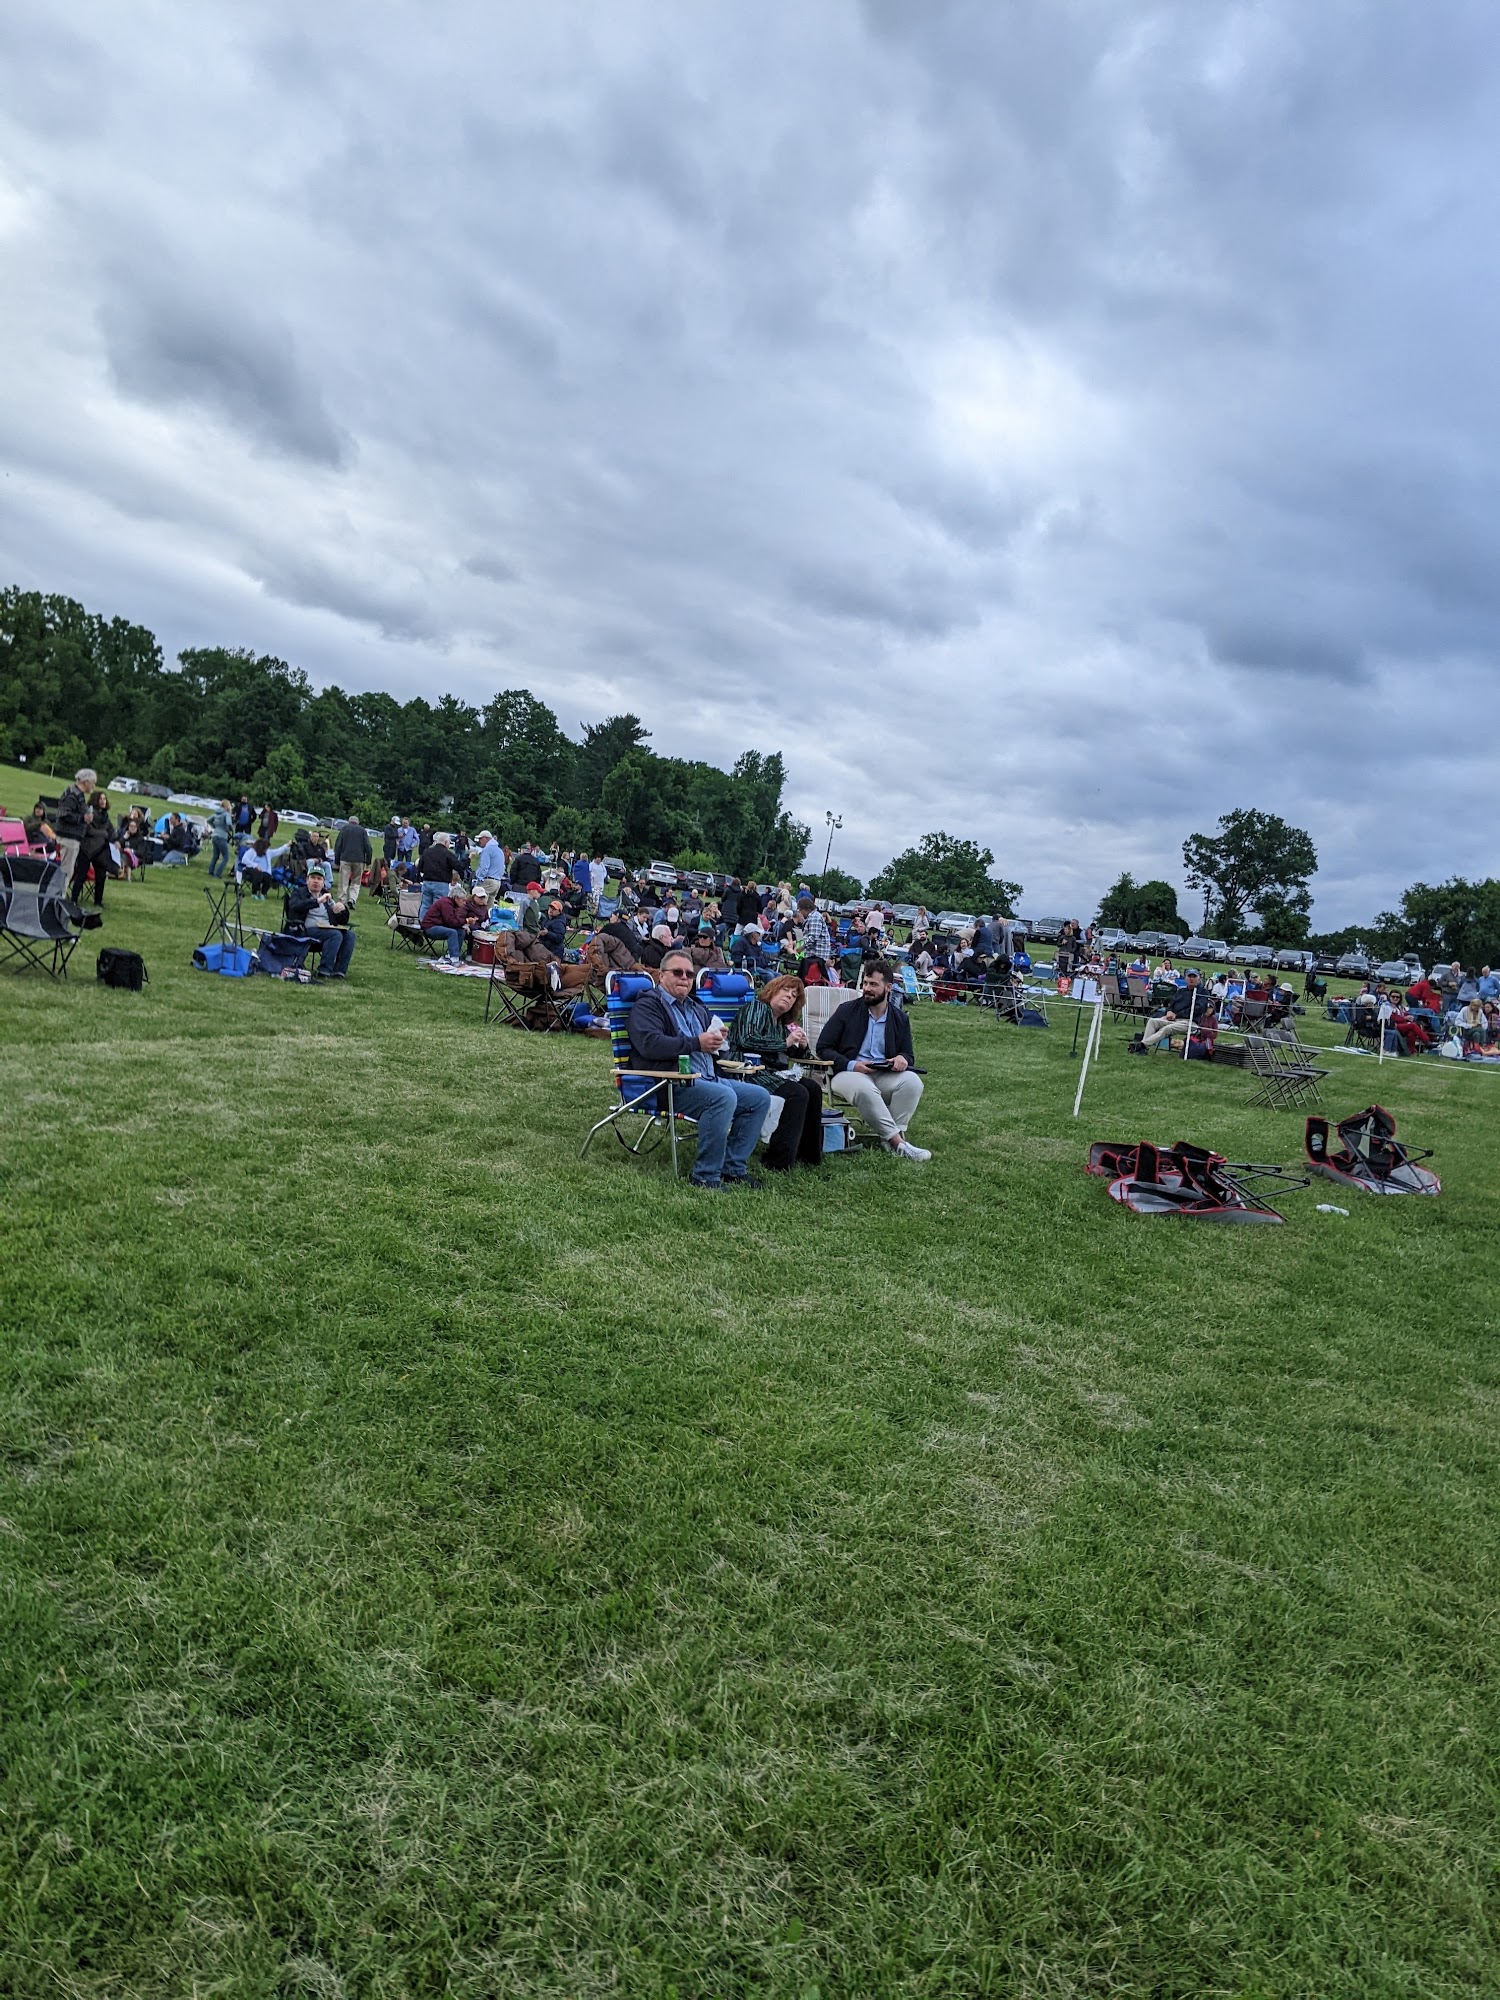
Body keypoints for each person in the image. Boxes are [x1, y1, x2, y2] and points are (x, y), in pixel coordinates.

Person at [627, 950, 771, 1189]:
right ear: (661, 975)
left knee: (759, 1098)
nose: (684, 978)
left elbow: (711, 1050)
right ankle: (705, 1175)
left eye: (689, 974)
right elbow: (650, 1045)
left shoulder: (696, 1007)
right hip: (669, 1083)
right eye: (677, 972)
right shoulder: (648, 1006)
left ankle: (733, 1168)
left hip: (708, 1078)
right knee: (723, 1097)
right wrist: (697, 1043)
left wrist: (717, 1042)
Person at [816, 961, 930, 1160]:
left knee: (913, 1082)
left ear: (888, 987)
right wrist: (853, 1065)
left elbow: (908, 1054)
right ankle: (898, 1143)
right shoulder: (846, 1011)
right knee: (864, 1088)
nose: (867, 988)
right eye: (866, 983)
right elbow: (823, 1048)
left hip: (883, 1073)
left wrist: (902, 1059)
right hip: (847, 1073)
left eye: (873, 984)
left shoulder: (899, 1018)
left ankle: (889, 1137)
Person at [725, 972, 824, 1170]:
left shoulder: (780, 1023)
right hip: (746, 1069)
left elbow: (798, 1055)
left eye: (794, 995)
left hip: (769, 1073)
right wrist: (785, 1042)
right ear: (772, 991)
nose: (789, 996)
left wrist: (802, 1046)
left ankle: (808, 1155)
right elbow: (747, 1039)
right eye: (785, 990)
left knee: (813, 1088)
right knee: (796, 1093)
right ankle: (778, 1160)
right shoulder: (757, 1008)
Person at [287, 868, 356, 979]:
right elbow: (295, 907)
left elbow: (343, 920)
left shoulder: (327, 896)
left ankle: (339, 971)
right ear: (307, 880)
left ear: (323, 882)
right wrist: (317, 901)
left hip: (326, 930)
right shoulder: (299, 893)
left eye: (319, 879)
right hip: (304, 930)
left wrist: (343, 910)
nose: (316, 881)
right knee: (335, 935)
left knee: (350, 935)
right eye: (313, 878)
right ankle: (324, 970)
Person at [52, 767, 97, 887]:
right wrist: (83, 818)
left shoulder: (78, 795)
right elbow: (64, 814)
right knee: (65, 872)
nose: (93, 786)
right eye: (93, 783)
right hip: (68, 839)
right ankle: (58, 896)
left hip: (73, 838)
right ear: (85, 782)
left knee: (68, 871)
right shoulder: (72, 796)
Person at [70, 790, 115, 906]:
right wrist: (103, 833)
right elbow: (88, 830)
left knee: (101, 875)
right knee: (81, 874)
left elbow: (111, 831)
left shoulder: (105, 817)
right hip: (87, 849)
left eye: (104, 799)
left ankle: (98, 901)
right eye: (100, 799)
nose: (103, 801)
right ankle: (74, 899)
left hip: (100, 850)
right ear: (95, 800)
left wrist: (115, 838)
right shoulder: (89, 813)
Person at [420, 886, 483, 963]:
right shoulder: (446, 903)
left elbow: (454, 921)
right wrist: (466, 921)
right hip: (430, 927)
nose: (464, 902)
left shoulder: (452, 904)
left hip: (439, 926)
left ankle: (453, 954)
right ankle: (454, 957)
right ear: (456, 898)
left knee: (460, 931)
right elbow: (451, 922)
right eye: (463, 900)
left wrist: (464, 924)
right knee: (452, 932)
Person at [417, 832, 464, 917]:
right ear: (446, 842)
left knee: (425, 905)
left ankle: (423, 921)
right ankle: (434, 922)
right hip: (441, 884)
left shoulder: (427, 851)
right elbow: (459, 867)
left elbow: (419, 867)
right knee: (438, 906)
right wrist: (468, 859)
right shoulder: (447, 854)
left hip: (427, 882)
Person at [334, 817, 372, 904]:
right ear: (357, 822)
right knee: (356, 881)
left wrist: (337, 860)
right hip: (359, 859)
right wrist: (368, 861)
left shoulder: (344, 829)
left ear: (349, 821)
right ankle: (352, 899)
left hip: (345, 858)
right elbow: (368, 846)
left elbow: (338, 845)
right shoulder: (362, 830)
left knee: (343, 880)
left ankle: (342, 900)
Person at [207, 800, 233, 878]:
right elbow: (229, 823)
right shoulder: (226, 814)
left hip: (214, 835)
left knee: (215, 856)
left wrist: (215, 826)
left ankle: (210, 871)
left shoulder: (216, 813)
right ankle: (218, 874)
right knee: (226, 857)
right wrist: (230, 829)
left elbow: (208, 820)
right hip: (222, 836)